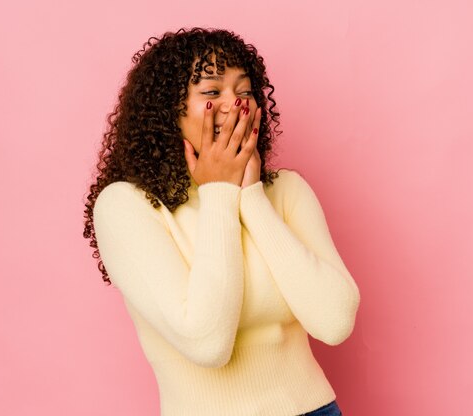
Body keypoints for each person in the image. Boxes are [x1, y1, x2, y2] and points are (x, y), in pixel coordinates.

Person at [82, 27, 360, 416]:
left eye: (244, 91)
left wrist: (251, 198)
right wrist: (218, 194)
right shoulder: (126, 206)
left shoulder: (287, 191)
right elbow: (207, 343)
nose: (234, 105)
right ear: (168, 111)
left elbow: (334, 322)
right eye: (211, 93)